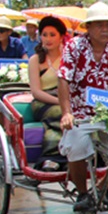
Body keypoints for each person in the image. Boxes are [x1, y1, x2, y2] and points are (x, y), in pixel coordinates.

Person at [58, 2, 108, 214]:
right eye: (99, 25)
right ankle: (83, 193)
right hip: (80, 111)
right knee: (76, 145)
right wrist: (66, 112)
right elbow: (63, 79)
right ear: (88, 28)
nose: (104, 29)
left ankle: (102, 188)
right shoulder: (74, 47)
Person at [28, 16, 68, 170]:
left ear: (61, 37)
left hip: (65, 98)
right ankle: (52, 157)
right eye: (44, 35)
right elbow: (36, 92)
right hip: (43, 102)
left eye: (52, 35)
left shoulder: (68, 57)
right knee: (61, 112)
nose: (48, 39)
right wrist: (61, 102)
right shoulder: (35, 60)